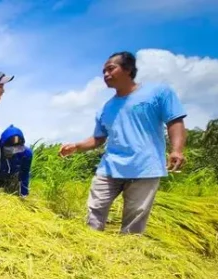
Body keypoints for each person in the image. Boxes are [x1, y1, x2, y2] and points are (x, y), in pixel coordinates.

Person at [60, 51, 187, 234]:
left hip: (144, 166)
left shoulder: (157, 93)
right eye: (103, 71)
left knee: (134, 218)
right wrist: (76, 146)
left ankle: (127, 256)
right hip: (110, 167)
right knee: (94, 209)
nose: (105, 75)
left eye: (110, 69)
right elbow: (98, 138)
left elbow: (174, 121)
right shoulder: (107, 107)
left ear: (128, 69)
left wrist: (177, 150)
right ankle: (91, 247)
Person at [0, 125, 33, 197]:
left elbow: (25, 174)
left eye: (17, 149)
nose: (13, 152)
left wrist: (24, 193)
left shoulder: (26, 154)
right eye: (9, 150)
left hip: (13, 178)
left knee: (13, 194)